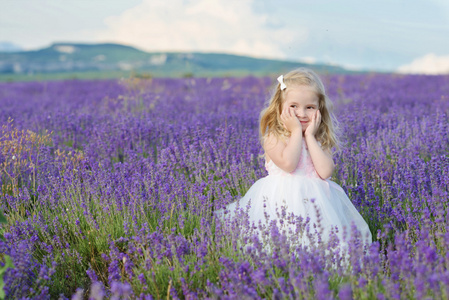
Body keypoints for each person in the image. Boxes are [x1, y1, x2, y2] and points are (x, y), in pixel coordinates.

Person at [215, 68, 372, 250]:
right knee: (280, 243)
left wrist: (311, 137)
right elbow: (289, 164)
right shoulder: (274, 136)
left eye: (310, 107)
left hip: (317, 205)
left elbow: (325, 171)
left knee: (321, 245)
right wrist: (297, 131)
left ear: (319, 109)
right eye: (294, 106)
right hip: (281, 203)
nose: (302, 114)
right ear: (279, 106)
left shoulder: (318, 138)